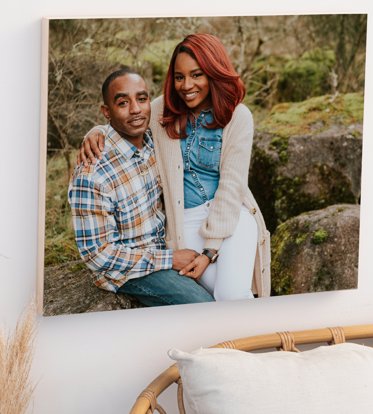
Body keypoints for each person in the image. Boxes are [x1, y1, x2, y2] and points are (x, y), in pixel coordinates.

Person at [79, 34, 271, 301]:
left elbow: (232, 185)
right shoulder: (161, 111)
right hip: (186, 224)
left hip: (232, 216)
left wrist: (210, 252)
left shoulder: (238, 117)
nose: (186, 85)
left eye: (196, 75)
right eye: (179, 77)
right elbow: (129, 117)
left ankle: (262, 340)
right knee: (216, 296)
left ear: (214, 73)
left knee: (232, 293)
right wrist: (97, 131)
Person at [68, 68, 214, 307]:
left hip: (166, 244)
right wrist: (170, 259)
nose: (135, 109)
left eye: (142, 99)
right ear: (107, 111)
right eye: (123, 102)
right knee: (202, 304)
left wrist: (96, 130)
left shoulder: (154, 141)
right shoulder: (92, 174)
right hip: (128, 270)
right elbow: (98, 254)